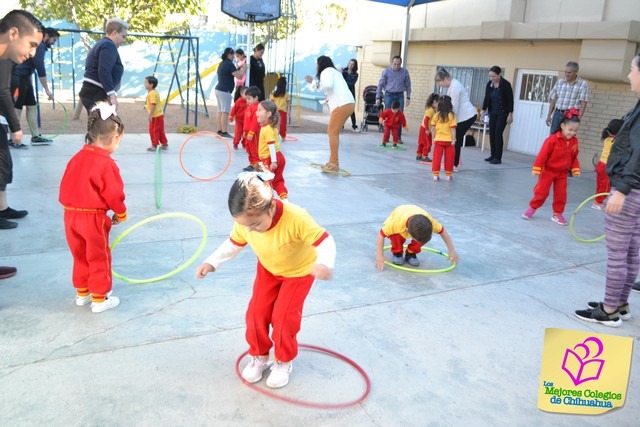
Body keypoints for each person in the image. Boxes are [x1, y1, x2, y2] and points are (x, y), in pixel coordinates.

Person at [195, 173, 336, 388]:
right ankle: (259, 356)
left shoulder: (296, 217)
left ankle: (283, 361)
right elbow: (233, 244)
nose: (250, 230)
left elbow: (325, 241)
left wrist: (325, 263)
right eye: (245, 225)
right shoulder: (246, 222)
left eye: (255, 224)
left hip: (299, 272)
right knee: (255, 313)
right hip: (269, 270)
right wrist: (212, 262)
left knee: (283, 317)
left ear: (270, 208)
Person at [574, 53, 640, 327]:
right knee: (631, 252)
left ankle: (610, 309)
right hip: (635, 191)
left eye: (632, 69)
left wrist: (622, 190)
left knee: (617, 254)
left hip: (630, 190)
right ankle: (620, 303)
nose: (628, 75)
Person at [59, 102, 127, 313]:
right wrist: (120, 213)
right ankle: (99, 298)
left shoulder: (76, 158)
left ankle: (82, 293)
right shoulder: (106, 164)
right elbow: (114, 194)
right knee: (98, 255)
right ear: (115, 138)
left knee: (79, 255)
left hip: (70, 217)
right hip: (92, 219)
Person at [0, 10, 44, 237]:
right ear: (13, 33)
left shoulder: (6, 58)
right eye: (32, 44)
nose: (33, 53)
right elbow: (2, 91)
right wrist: (15, 125)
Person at [522, 108, 581, 225]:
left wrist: (575, 168)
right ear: (562, 126)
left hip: (562, 173)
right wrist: (537, 168)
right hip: (548, 171)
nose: (572, 133)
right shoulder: (552, 140)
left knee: (561, 194)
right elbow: (542, 155)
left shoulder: (574, 141)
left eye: (575, 131)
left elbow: (574, 156)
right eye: (570, 130)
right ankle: (532, 208)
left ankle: (557, 214)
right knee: (542, 192)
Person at [304, 55, 355, 174]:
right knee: (334, 132)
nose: (316, 67)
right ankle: (333, 161)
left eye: (317, 64)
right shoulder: (335, 72)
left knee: (332, 132)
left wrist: (314, 82)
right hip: (348, 103)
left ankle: (334, 163)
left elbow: (327, 85)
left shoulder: (326, 71)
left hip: (341, 104)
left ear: (320, 64)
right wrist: (314, 83)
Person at [10, 27, 59, 147]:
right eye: (53, 39)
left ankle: (35, 136)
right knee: (17, 108)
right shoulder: (39, 46)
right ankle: (13, 140)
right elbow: (40, 68)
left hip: (25, 78)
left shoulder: (40, 46)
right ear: (46, 36)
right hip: (18, 77)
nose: (53, 43)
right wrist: (47, 90)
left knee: (32, 106)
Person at [375, 204, 458, 270]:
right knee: (395, 235)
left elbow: (443, 232)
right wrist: (379, 255)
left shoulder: (431, 222)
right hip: (400, 213)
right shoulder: (397, 224)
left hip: (416, 215)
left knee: (423, 237)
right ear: (407, 230)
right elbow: (381, 235)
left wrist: (452, 250)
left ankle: (411, 253)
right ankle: (397, 252)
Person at [79, 18, 128, 114]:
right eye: (123, 36)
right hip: (97, 92)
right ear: (114, 33)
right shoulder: (108, 46)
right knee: (104, 127)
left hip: (94, 91)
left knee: (101, 126)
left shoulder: (102, 44)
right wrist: (111, 95)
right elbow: (104, 70)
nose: (124, 40)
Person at [435, 68, 478, 171]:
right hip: (462, 116)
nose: (440, 85)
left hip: (467, 116)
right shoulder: (452, 85)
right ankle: (454, 162)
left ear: (445, 78)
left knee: (456, 139)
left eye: (440, 82)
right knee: (455, 138)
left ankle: (454, 165)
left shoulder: (455, 87)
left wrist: (448, 121)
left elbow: (454, 107)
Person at [480, 66, 514, 165]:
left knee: (498, 134)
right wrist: (483, 110)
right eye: (490, 76)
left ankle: (498, 157)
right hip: (493, 112)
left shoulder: (505, 84)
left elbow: (510, 100)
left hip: (503, 113)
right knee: (492, 133)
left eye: (494, 76)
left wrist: (510, 114)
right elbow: (486, 98)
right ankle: (493, 154)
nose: (492, 78)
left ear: (499, 74)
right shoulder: (489, 84)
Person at [546, 61, 590, 134]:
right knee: (553, 137)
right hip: (557, 113)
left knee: (567, 138)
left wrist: (578, 119)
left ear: (576, 72)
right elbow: (553, 99)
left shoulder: (583, 84)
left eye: (569, 73)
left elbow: (583, 104)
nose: (567, 74)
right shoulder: (560, 82)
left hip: (571, 116)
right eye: (565, 72)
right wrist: (549, 115)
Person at [376, 56, 411, 142]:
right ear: (392, 63)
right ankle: (386, 137)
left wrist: (408, 97)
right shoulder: (386, 71)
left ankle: (398, 137)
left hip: (400, 95)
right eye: (394, 64)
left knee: (399, 115)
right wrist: (378, 97)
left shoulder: (405, 72)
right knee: (388, 115)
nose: (396, 66)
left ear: (401, 64)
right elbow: (380, 84)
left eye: (398, 64)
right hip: (389, 94)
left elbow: (408, 85)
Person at [257, 100, 287, 200]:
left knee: (265, 181)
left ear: (268, 114)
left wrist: (273, 161)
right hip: (279, 157)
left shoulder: (267, 129)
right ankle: (284, 199)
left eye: (259, 110)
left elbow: (271, 146)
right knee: (277, 180)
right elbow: (277, 141)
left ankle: (266, 202)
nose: (256, 112)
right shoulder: (271, 127)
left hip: (270, 159)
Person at [592, 119, 624, 210]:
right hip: (606, 166)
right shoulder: (615, 141)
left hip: (601, 164)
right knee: (605, 186)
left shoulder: (607, 138)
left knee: (601, 184)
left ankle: (598, 201)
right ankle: (597, 202)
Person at [215, 47, 246, 138]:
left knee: (220, 111)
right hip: (225, 91)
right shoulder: (229, 64)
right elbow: (239, 76)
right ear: (229, 54)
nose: (234, 57)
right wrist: (244, 68)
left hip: (219, 89)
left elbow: (231, 72)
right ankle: (224, 132)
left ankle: (220, 130)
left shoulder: (222, 63)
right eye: (233, 55)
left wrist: (239, 67)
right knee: (225, 112)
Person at [430, 95, 457, 182]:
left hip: (438, 140)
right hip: (449, 141)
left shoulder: (436, 115)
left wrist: (433, 138)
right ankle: (448, 176)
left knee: (437, 158)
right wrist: (454, 139)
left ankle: (435, 175)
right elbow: (453, 129)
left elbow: (433, 128)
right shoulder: (452, 115)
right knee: (449, 158)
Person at [143, 75, 168, 152]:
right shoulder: (153, 92)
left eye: (146, 82)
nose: (144, 84)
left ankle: (154, 145)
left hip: (155, 116)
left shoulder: (152, 94)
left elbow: (153, 104)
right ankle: (164, 143)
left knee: (153, 130)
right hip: (159, 115)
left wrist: (150, 116)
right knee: (160, 130)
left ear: (151, 85)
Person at [242, 86, 261, 172]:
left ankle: (257, 164)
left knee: (254, 149)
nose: (247, 101)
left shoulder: (257, 108)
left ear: (256, 98)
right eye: (246, 99)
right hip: (247, 132)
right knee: (248, 148)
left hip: (254, 133)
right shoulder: (249, 107)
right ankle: (252, 163)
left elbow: (255, 122)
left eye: (249, 98)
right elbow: (246, 121)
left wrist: (251, 132)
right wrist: (244, 131)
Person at [416, 93, 439, 162]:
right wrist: (427, 129)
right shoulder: (431, 110)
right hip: (425, 129)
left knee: (421, 142)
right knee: (427, 143)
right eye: (438, 102)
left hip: (423, 128)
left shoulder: (431, 109)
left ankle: (419, 154)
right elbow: (426, 120)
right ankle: (424, 156)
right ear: (434, 102)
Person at [342, 58, 359, 132]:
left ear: (355, 66)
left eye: (352, 64)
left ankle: (354, 126)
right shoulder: (344, 71)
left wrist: (345, 79)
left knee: (351, 110)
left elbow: (351, 83)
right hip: (343, 93)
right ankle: (341, 124)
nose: (350, 65)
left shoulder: (355, 74)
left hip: (350, 94)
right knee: (342, 109)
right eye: (350, 63)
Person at [229, 85, 247, 150]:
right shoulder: (238, 101)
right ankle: (235, 143)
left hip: (247, 121)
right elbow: (234, 110)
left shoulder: (249, 101)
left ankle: (244, 143)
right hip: (239, 121)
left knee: (246, 133)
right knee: (238, 133)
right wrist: (231, 117)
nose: (247, 95)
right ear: (241, 94)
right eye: (246, 94)